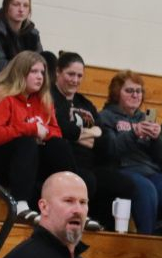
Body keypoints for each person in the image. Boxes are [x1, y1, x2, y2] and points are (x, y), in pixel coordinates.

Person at [97, 70, 162, 234]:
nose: (135, 95)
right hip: (122, 169)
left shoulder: (144, 118)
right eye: (129, 91)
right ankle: (146, 239)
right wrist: (134, 133)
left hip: (149, 171)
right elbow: (110, 149)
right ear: (116, 93)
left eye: (139, 91)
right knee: (146, 190)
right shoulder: (105, 117)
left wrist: (157, 138)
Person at [50, 52, 132, 230]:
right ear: (58, 72)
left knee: (124, 184)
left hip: (90, 161)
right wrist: (90, 132)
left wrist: (83, 135)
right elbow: (62, 128)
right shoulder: (50, 97)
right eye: (70, 74)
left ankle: (108, 230)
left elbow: (103, 134)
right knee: (88, 180)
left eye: (79, 76)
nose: (75, 80)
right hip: (64, 161)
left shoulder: (85, 103)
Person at [0, 50, 72, 216]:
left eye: (42, 72)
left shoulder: (43, 99)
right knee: (26, 142)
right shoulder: (0, 95)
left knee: (58, 146)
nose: (40, 77)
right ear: (20, 72)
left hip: (26, 161)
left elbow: (56, 132)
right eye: (34, 71)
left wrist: (42, 134)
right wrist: (31, 129)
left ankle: (71, 202)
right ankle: (19, 203)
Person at [0, 0, 41, 79]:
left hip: (26, 82)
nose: (21, 10)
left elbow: (40, 63)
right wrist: (28, 72)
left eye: (25, 6)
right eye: (16, 4)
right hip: (0, 82)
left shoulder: (33, 34)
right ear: (6, 6)